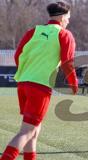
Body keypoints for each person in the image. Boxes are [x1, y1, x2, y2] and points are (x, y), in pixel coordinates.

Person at [0, 2, 78, 160]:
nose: (68, 21)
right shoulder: (64, 34)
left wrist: (27, 71)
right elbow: (67, 62)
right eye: (68, 18)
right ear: (62, 17)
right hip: (40, 86)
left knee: (33, 131)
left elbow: (18, 55)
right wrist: (74, 84)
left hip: (23, 83)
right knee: (26, 132)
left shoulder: (34, 31)